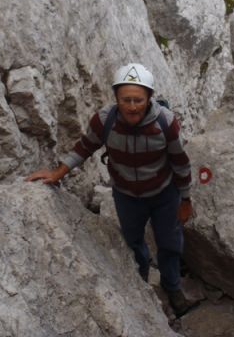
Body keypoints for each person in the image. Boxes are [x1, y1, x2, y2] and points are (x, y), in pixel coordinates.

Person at [25, 62, 196, 315]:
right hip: (127, 196)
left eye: (138, 99)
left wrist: (185, 200)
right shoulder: (105, 120)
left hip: (164, 194)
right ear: (116, 98)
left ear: (149, 98)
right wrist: (57, 173)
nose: (132, 106)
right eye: (126, 99)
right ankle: (139, 282)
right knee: (133, 241)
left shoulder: (165, 122)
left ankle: (172, 287)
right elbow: (85, 147)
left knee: (170, 243)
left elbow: (181, 163)